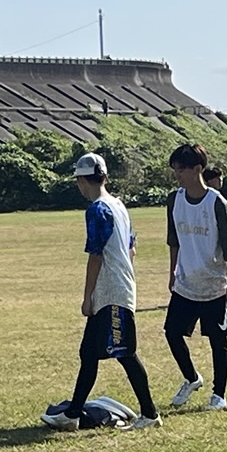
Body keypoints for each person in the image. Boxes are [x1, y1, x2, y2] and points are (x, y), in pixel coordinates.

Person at [41, 153, 161, 430]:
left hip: (111, 292)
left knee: (125, 352)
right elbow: (131, 248)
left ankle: (150, 414)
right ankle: (72, 413)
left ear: (82, 181)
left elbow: (95, 256)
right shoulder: (119, 205)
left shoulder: (97, 209)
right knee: (88, 353)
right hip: (118, 286)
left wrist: (87, 297)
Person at [162, 142, 227, 410]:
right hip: (185, 283)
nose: (177, 175)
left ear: (197, 169)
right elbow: (174, 239)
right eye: (175, 170)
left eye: (181, 169)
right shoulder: (174, 200)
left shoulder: (216, 203)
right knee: (172, 333)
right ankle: (192, 378)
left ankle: (219, 395)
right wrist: (173, 271)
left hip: (214, 284)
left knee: (218, 341)